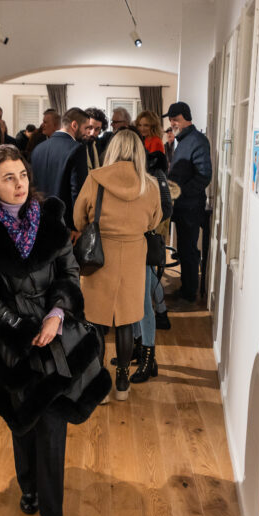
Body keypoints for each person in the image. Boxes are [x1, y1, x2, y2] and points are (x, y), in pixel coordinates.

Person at [0, 145, 110, 516]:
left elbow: (69, 271)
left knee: (52, 423)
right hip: (11, 339)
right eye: (8, 178)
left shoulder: (50, 220)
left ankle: (52, 513)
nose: (19, 184)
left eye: (23, 175)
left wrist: (57, 313)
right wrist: (18, 324)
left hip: (56, 335)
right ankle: (27, 487)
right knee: (21, 418)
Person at [74, 130, 162, 401]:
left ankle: (98, 385)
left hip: (99, 257)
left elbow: (78, 218)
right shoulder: (149, 185)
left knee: (95, 322)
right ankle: (122, 382)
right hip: (134, 257)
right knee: (126, 320)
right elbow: (154, 221)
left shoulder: (95, 179)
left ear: (112, 150)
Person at [129, 110, 173, 379]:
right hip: (131, 244)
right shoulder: (131, 170)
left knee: (143, 300)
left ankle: (148, 358)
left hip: (143, 242)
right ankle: (139, 349)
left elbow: (166, 207)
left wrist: (145, 222)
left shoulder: (155, 168)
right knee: (134, 299)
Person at [164, 101, 212, 302]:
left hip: (190, 207)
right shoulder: (183, 140)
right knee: (184, 248)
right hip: (182, 206)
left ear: (187, 118)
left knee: (188, 249)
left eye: (176, 119)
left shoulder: (197, 140)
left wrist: (180, 193)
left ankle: (189, 292)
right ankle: (187, 289)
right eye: (171, 120)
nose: (172, 123)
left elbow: (204, 175)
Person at [30, 107, 88, 228]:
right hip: (65, 224)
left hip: (38, 221)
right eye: (86, 128)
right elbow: (78, 192)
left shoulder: (37, 149)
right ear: (74, 125)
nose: (86, 133)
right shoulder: (77, 149)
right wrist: (77, 226)